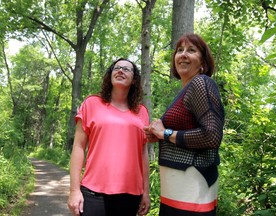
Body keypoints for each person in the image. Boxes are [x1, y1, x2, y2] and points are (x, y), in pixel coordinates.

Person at [144, 33, 225, 216]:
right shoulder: (187, 89)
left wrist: (165, 133)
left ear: (203, 61)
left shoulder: (201, 83)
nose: (183, 55)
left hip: (192, 193)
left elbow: (211, 135)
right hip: (178, 192)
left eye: (191, 50)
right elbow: (184, 134)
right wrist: (158, 135)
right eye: (179, 50)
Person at [67, 58, 150, 216]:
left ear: (134, 80)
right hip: (93, 193)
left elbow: (143, 153)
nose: (120, 70)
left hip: (131, 195)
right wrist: (74, 190)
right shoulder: (92, 104)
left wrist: (146, 192)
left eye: (126, 69)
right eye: (116, 68)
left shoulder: (142, 112)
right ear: (110, 75)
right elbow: (78, 147)